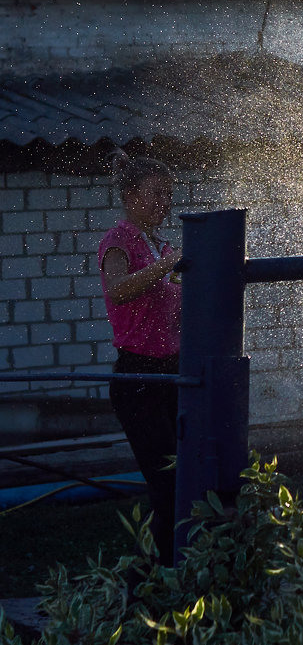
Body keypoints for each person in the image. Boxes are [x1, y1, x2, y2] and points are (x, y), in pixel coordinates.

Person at [98, 149, 183, 564]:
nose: (163, 202)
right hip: (138, 379)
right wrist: (167, 267)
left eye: (168, 194)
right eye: (155, 193)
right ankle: (146, 582)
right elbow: (117, 289)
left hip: (174, 374)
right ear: (131, 195)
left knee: (186, 482)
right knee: (168, 486)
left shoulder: (161, 246)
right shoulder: (120, 241)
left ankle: (171, 573)